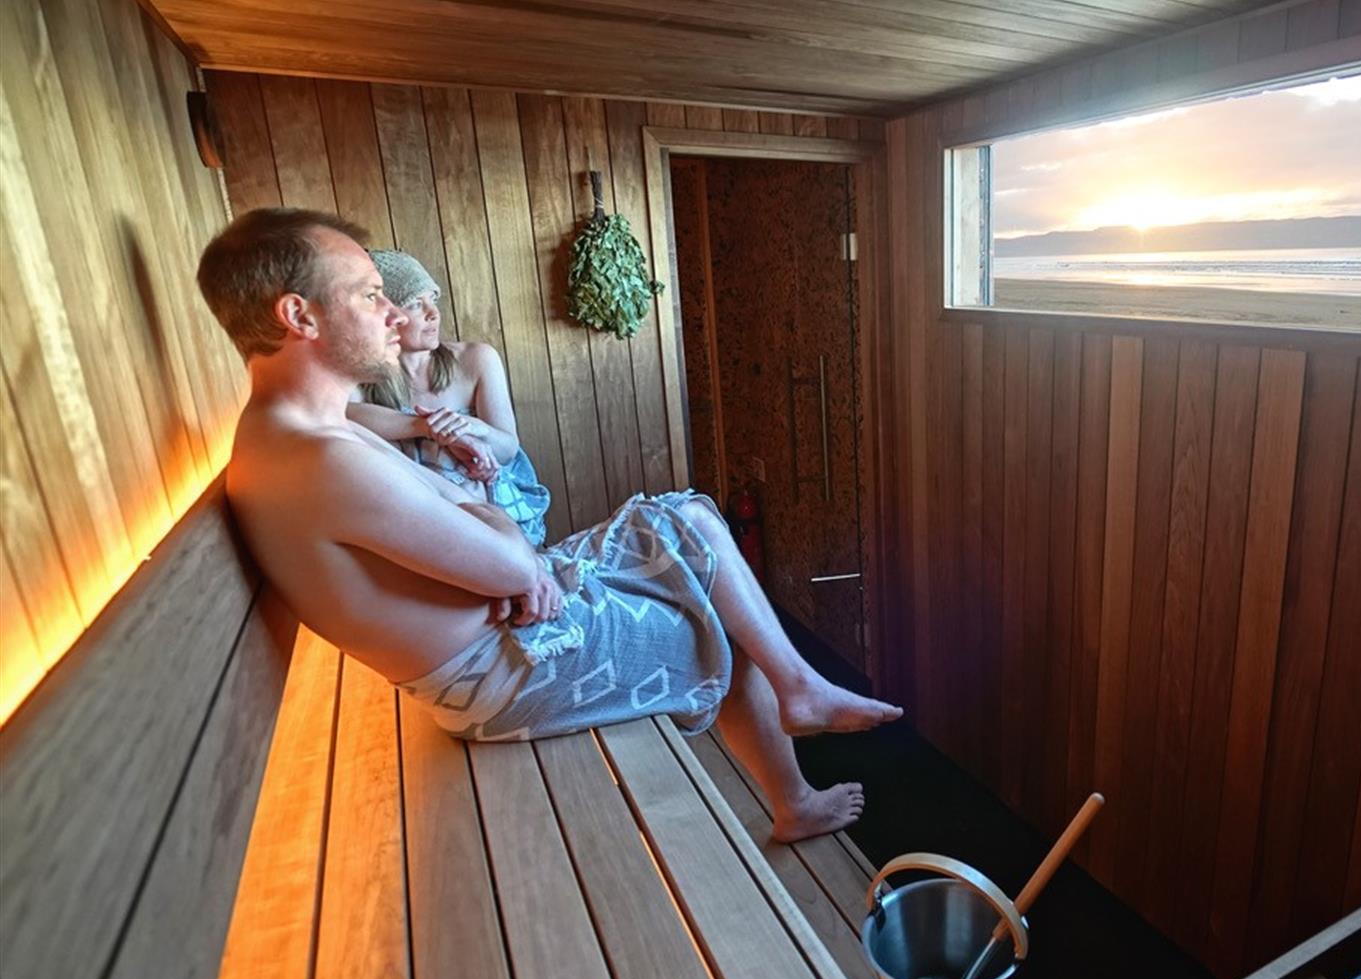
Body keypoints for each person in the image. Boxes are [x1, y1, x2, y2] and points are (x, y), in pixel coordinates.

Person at [196, 207, 901, 842]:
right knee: (715, 611)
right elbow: (502, 547)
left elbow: (488, 523)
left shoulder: (305, 434)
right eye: (367, 292)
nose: (391, 311)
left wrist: (496, 545)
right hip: (504, 674)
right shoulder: (317, 458)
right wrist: (502, 552)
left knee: (681, 514)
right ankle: (796, 781)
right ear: (300, 315)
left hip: (508, 630)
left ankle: (800, 696)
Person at [347, 249, 550, 546]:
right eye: (416, 304)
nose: (433, 313)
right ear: (385, 317)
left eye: (434, 299)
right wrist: (425, 427)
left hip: (492, 502)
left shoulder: (476, 359)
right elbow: (344, 415)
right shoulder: (366, 378)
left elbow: (507, 449)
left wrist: (469, 429)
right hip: (423, 514)